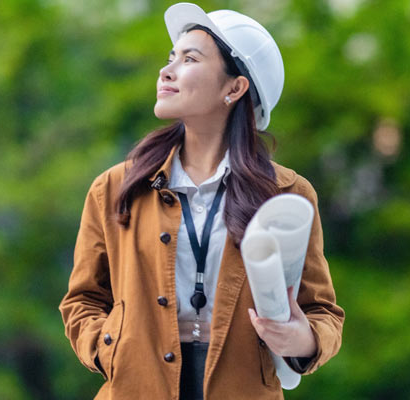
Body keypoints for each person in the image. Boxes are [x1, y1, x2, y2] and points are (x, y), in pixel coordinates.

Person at [58, 3, 343, 399]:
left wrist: (301, 340)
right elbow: (83, 299)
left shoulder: (287, 195)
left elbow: (322, 313)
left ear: (234, 87)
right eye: (171, 57)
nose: (167, 70)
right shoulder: (116, 188)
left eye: (189, 58)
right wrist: (111, 350)